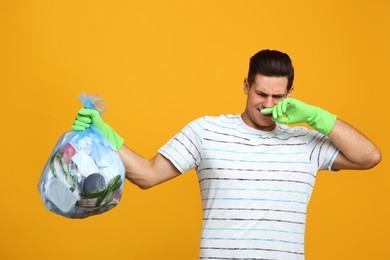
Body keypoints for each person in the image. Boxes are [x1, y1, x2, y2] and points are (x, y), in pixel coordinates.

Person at [72, 49, 381, 259]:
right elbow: (148, 175)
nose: (267, 104)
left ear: (290, 94)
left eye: (277, 96)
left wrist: (317, 117)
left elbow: (369, 157)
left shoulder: (306, 141)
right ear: (246, 86)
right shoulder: (206, 131)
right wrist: (105, 134)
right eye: (261, 93)